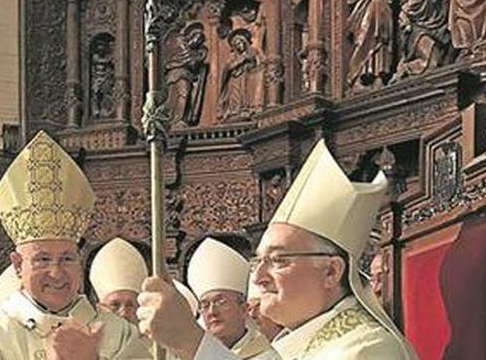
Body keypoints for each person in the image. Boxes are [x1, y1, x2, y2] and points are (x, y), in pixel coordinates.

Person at [136, 139, 418, 359]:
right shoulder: (284, 345)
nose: (257, 278)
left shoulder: (369, 348)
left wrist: (190, 340)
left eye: (278, 260)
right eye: (258, 261)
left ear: (331, 271)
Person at [0, 131, 148, 359]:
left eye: (67, 258)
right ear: (18, 265)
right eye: (43, 259)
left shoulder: (119, 334)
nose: (56, 272)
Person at [187, 239, 278, 359]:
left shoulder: (269, 356)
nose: (212, 312)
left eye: (221, 302)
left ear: (243, 308)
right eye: (205, 305)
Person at [90, 239, 148, 325]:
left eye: (130, 305)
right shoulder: (86, 338)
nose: (124, 313)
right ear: (101, 309)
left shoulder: (155, 338)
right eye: (115, 305)